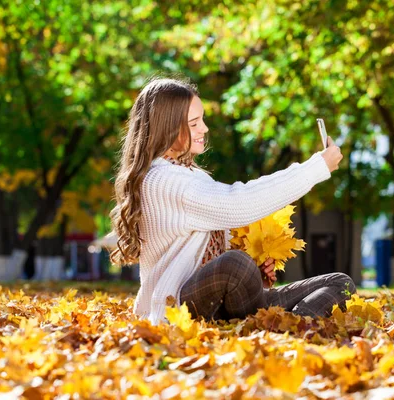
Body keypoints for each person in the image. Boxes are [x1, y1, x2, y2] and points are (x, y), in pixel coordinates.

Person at [110, 77, 356, 325]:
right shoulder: (162, 179)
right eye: (194, 123)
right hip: (177, 307)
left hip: (216, 300)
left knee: (340, 283)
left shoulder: (191, 175)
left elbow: (212, 252)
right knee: (235, 264)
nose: (204, 129)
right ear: (167, 128)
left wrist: (255, 276)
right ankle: (280, 325)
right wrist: (316, 168)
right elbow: (240, 202)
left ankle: (285, 325)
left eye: (202, 120)